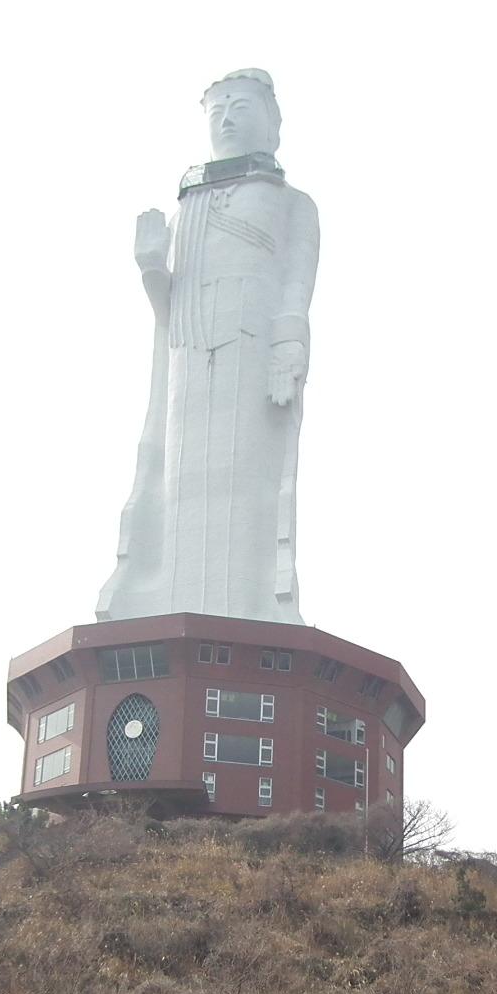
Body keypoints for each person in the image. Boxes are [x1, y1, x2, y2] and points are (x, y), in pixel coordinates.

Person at [96, 69, 319, 624]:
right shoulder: (187, 208)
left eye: (241, 106)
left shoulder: (292, 204)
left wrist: (288, 347)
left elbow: (296, 282)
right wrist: (152, 268)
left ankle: (247, 610)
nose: (227, 119)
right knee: (179, 487)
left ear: (272, 122)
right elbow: (167, 312)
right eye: (217, 109)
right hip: (190, 362)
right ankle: (173, 608)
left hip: (250, 353)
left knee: (246, 487)